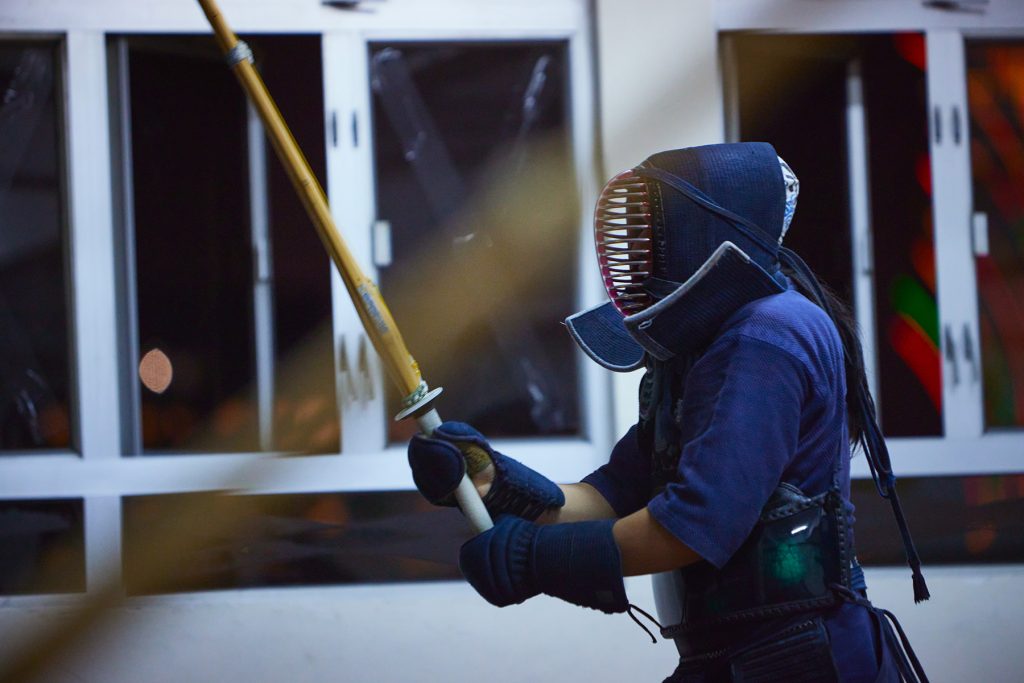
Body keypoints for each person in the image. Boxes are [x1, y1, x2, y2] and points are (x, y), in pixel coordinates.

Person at [407, 143, 929, 682]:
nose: (640, 255)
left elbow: (697, 523)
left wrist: (537, 557)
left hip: (802, 658)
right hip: (730, 658)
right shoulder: (699, 350)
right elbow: (611, 494)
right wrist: (495, 483)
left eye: (655, 234)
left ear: (706, 230)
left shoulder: (766, 334)